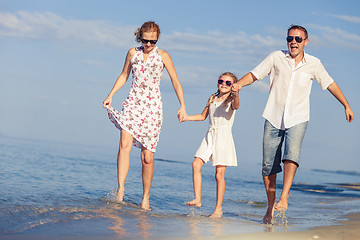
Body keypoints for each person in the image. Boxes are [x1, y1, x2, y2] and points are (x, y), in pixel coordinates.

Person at [232, 25, 354, 224]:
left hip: (298, 117)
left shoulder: (314, 63)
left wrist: (346, 105)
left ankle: (285, 196)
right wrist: (239, 84)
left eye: (298, 39)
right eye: (290, 38)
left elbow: (330, 83)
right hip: (273, 116)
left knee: (291, 154)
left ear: (306, 41)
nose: (293, 42)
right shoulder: (276, 57)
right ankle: (270, 208)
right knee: (268, 166)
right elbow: (254, 74)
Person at [102, 21, 187, 210]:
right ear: (139, 36)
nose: (148, 44)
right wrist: (111, 94)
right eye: (145, 40)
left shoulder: (164, 56)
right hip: (132, 103)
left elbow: (175, 81)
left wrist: (182, 105)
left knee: (147, 158)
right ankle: (120, 191)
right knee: (124, 144)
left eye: (152, 41)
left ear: (157, 39)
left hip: (152, 108)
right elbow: (124, 75)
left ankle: (145, 198)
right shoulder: (133, 53)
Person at [181, 72, 240, 218]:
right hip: (210, 135)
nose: (224, 84)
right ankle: (198, 198)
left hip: (223, 137)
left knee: (219, 175)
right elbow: (202, 116)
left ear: (233, 85)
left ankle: (218, 210)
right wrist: (187, 117)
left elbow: (236, 106)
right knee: (196, 164)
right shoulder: (212, 98)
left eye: (228, 83)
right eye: (221, 81)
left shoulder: (232, 100)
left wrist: (236, 94)